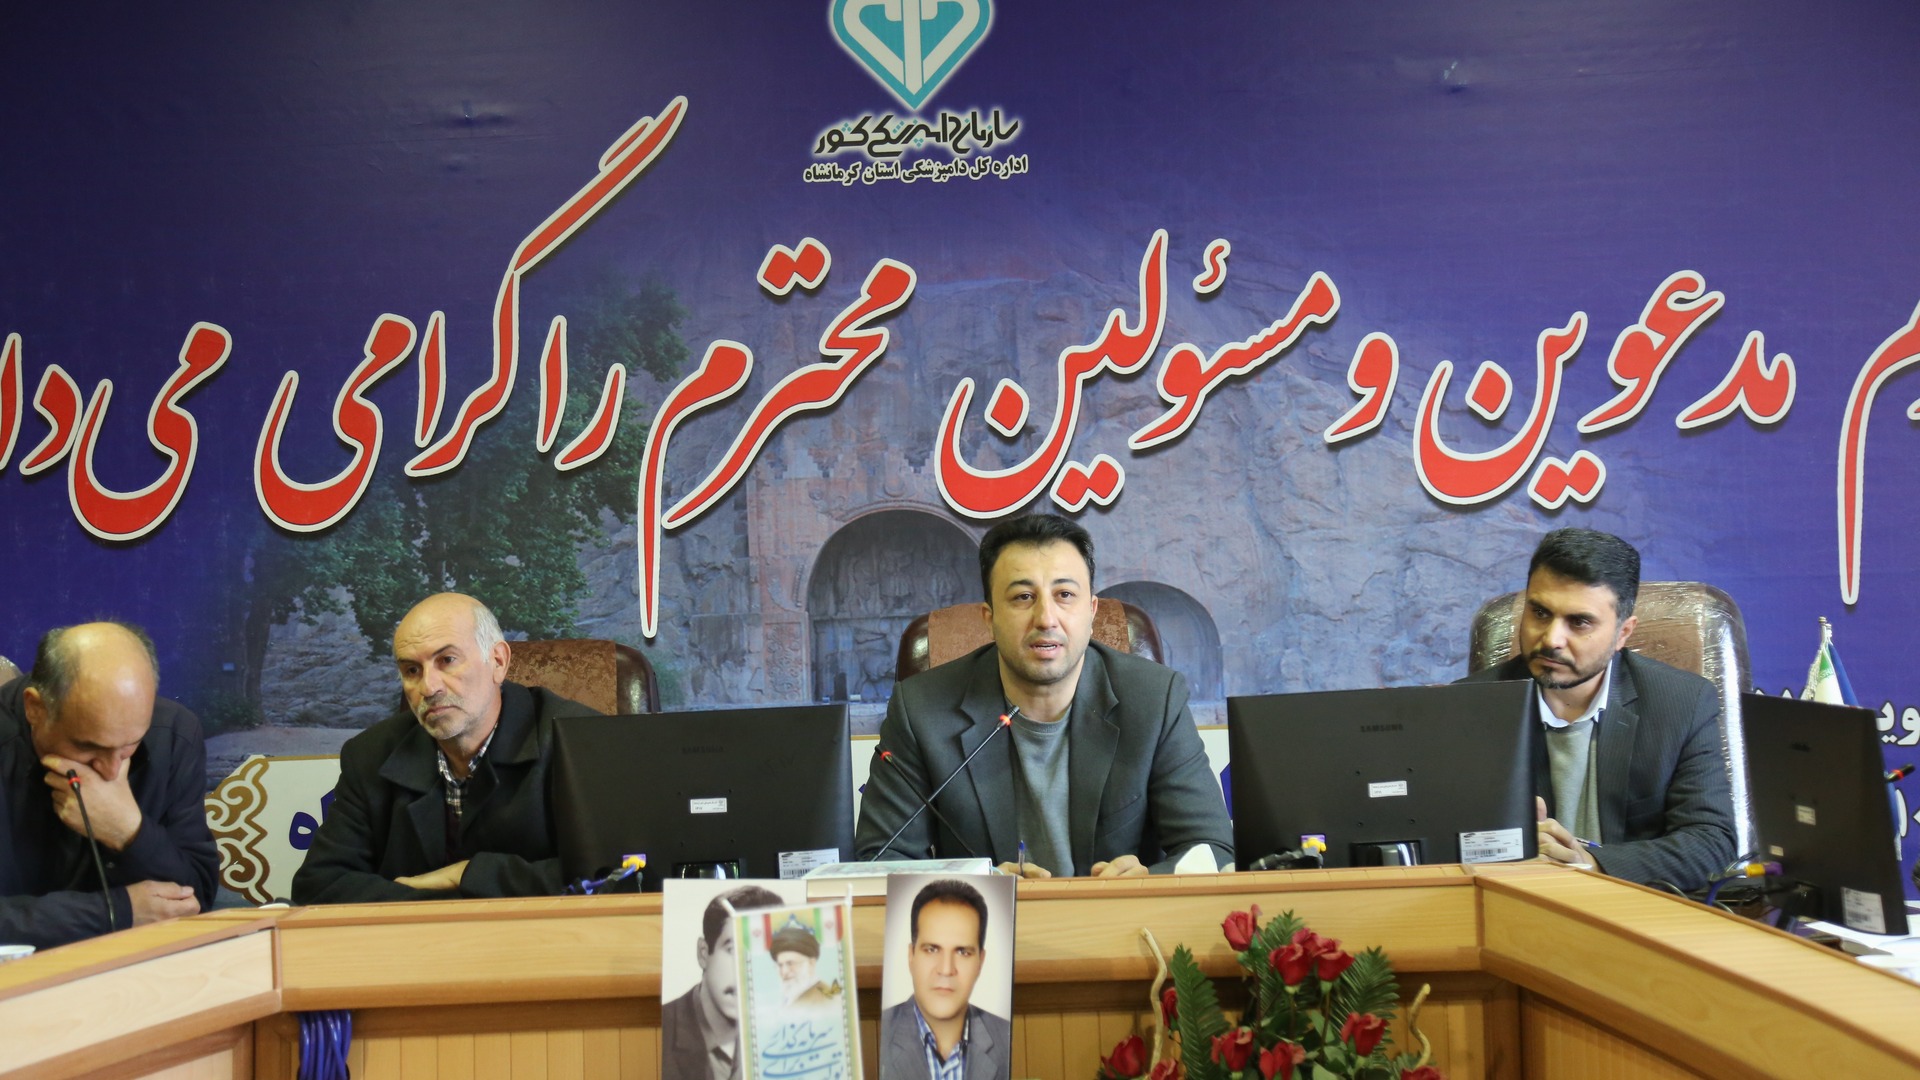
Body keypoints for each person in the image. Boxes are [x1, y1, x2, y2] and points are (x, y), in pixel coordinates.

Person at [855, 513, 1232, 877]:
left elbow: (1212, 848)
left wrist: (1147, 879)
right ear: (990, 618)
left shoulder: (1154, 699)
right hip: (986, 920)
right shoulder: (922, 710)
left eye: (1065, 594)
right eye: (1022, 597)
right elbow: (880, 860)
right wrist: (978, 884)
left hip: (1121, 918)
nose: (1046, 619)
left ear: (1091, 611)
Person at [1461, 528, 1736, 891]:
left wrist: (1591, 864)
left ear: (1623, 633)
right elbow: (1437, 842)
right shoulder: (1468, 707)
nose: (1552, 639)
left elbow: (1711, 842)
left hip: (1633, 910)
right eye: (1540, 613)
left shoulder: (1682, 703)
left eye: (1579, 622)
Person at [291, 593, 598, 903]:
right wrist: (445, 908)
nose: (429, 687)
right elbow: (319, 885)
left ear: (498, 662)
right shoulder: (370, 755)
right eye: (412, 670)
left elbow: (615, 875)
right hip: (418, 934)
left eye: (447, 660)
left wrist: (467, 874)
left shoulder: (580, 740)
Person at [0, 622, 217, 949]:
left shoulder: (173, 733)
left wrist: (128, 830)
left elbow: (195, 897)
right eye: (88, 747)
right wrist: (116, 912)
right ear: (35, 708)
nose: (112, 771)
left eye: (130, 746)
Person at [881, 879, 1010, 1080]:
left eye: (962, 952)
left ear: (980, 961)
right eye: (932, 950)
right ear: (911, 956)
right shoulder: (880, 1034)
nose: (946, 969)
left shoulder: (1006, 1037)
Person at [662, 884, 788, 1080]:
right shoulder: (664, 1030)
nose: (747, 972)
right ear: (704, 953)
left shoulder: (785, 1035)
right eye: (734, 950)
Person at [768, 918, 841, 1015]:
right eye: (780, 965)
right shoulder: (790, 996)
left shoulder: (825, 1000)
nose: (784, 971)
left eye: (790, 963)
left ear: (811, 963)